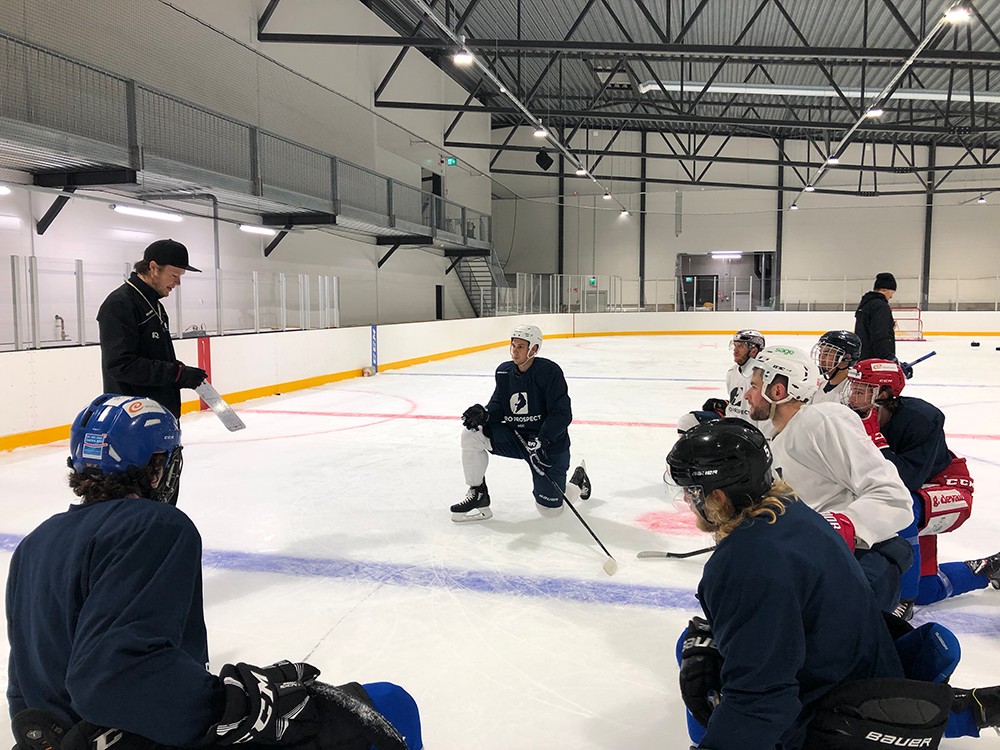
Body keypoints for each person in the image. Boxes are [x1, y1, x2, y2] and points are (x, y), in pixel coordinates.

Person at [6, 394, 421, 750]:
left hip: (82, 733)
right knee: (391, 705)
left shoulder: (32, 545)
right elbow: (112, 678)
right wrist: (237, 706)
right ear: (157, 466)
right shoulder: (154, 524)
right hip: (146, 733)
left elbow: (24, 690)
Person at [666, 418, 1000, 750]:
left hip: (835, 719)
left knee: (698, 666)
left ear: (718, 496)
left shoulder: (745, 563)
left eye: (690, 491)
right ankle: (969, 712)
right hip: (863, 681)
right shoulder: (792, 511)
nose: (686, 500)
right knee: (705, 643)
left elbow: (762, 700)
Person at [742, 345, 913, 611]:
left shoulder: (822, 420)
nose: (746, 394)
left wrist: (842, 524)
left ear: (778, 391)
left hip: (861, 562)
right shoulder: (775, 441)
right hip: (820, 561)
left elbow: (892, 496)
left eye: (754, 386)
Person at [846, 359, 999, 620]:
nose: (852, 396)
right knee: (927, 590)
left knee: (900, 505)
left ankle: (903, 600)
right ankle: (990, 569)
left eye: (861, 390)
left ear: (883, 393)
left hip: (947, 486)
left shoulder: (922, 418)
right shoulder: (851, 415)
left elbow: (906, 480)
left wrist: (878, 443)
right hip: (911, 494)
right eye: (853, 388)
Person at [453, 324, 589, 522]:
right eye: (513, 345)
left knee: (550, 510)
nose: (514, 351)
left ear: (533, 349)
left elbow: (561, 413)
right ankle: (478, 493)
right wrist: (485, 414)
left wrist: (544, 440)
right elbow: (499, 404)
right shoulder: (504, 372)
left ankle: (578, 480)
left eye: (520, 347)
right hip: (516, 438)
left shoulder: (549, 372)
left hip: (548, 446)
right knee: (472, 434)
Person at [98, 239, 208, 421]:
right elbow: (121, 365)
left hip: (159, 416)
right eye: (174, 275)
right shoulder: (120, 304)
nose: (178, 282)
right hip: (134, 420)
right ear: (153, 267)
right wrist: (177, 374)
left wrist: (181, 371)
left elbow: (152, 356)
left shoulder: (153, 304)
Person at [723, 329, 766, 428]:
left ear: (754, 351)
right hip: (731, 426)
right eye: (735, 345)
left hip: (750, 431)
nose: (735, 350)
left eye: (741, 346)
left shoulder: (762, 376)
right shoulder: (731, 372)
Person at [809, 330, 861, 405]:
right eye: (821, 352)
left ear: (846, 358)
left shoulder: (851, 391)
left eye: (827, 354)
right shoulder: (817, 383)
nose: (821, 358)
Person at [854, 272, 897, 361]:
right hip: (876, 360)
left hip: (863, 356)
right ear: (885, 289)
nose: (891, 297)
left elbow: (868, 328)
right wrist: (887, 356)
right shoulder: (881, 306)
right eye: (891, 293)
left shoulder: (865, 304)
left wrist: (888, 324)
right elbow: (880, 334)